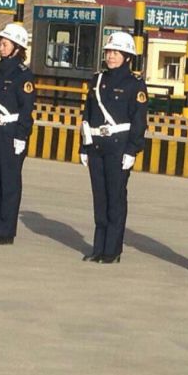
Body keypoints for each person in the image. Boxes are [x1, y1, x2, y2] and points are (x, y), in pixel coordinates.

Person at [79, 31, 147, 264]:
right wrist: (84, 146)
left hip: (119, 147)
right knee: (100, 198)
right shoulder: (97, 80)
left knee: (115, 199)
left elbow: (139, 120)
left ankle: (112, 250)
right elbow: (87, 115)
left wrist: (132, 150)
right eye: (109, 52)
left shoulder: (134, 84)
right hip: (97, 145)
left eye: (116, 53)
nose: (111, 56)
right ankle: (98, 247)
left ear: (127, 57)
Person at [0, 23, 35, 245]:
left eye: (5, 44)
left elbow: (26, 109)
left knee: (9, 183)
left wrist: (21, 136)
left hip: (11, 133)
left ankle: (6, 231)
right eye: (0, 44)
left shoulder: (23, 74)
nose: (0, 48)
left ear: (17, 47)